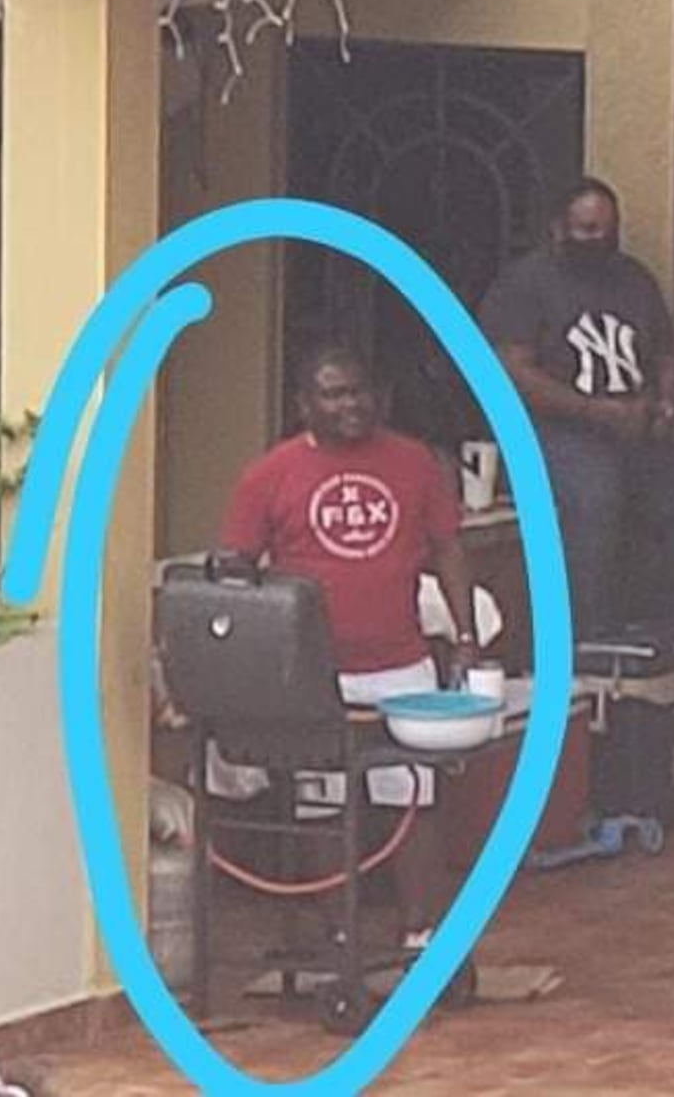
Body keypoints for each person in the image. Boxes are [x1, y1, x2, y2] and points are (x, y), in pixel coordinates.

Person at [218, 343, 479, 950]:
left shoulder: (415, 462)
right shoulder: (268, 474)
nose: (350, 405)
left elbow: (448, 550)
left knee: (413, 799)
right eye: (333, 394)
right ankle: (340, 937)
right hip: (312, 673)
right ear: (304, 405)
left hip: (402, 665)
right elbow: (235, 568)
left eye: (358, 391)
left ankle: (420, 934)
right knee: (322, 806)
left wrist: (466, 636)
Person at [479, 176, 674, 641]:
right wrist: (596, 411)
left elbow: (664, 352)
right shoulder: (525, 284)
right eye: (587, 229)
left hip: (635, 433)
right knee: (595, 497)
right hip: (557, 433)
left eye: (608, 229)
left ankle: (653, 628)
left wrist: (667, 400)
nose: (599, 239)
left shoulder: (634, 279)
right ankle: (585, 637)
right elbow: (512, 373)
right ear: (559, 228)